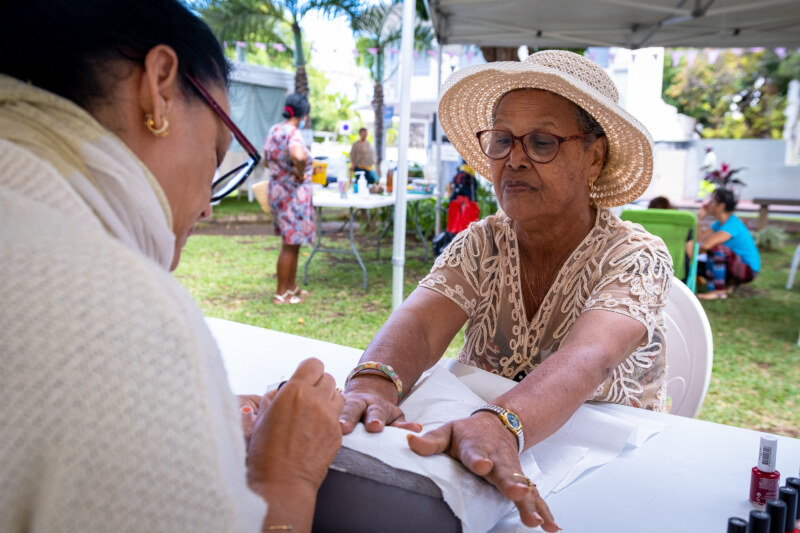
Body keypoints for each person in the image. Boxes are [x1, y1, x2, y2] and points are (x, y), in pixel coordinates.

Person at [0, 2, 343, 532]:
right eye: (215, 150)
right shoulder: (123, 309)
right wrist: (286, 476)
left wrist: (168, 415)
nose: (207, 205)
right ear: (159, 87)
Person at [339, 50, 672, 532]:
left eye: (541, 142)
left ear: (593, 157)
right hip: (477, 467)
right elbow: (419, 324)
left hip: (609, 480)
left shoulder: (634, 254)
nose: (513, 159)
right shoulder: (483, 241)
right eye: (502, 139)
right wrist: (372, 384)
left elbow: (589, 356)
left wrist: (500, 424)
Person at [264, 94, 315, 305]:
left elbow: (267, 160)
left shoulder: (274, 130)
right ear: (304, 114)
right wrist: (300, 172)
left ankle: (291, 288)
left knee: (293, 242)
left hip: (277, 190)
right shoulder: (293, 133)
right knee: (289, 244)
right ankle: (281, 293)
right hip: (292, 195)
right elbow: (298, 156)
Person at [696, 188, 760, 300]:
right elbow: (698, 239)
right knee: (701, 259)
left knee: (717, 249)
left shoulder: (732, 223)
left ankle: (719, 292)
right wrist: (700, 218)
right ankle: (727, 286)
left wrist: (701, 248)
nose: (708, 204)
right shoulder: (719, 223)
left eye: (712, 201)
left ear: (721, 206)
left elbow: (706, 245)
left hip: (748, 270)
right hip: (737, 265)